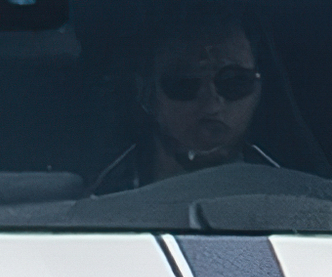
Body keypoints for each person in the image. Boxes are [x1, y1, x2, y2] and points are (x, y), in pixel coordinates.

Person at [90, 10, 284, 192]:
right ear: (147, 92)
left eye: (234, 82)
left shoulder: (288, 193)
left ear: (259, 89)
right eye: (183, 83)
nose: (212, 106)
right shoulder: (97, 198)